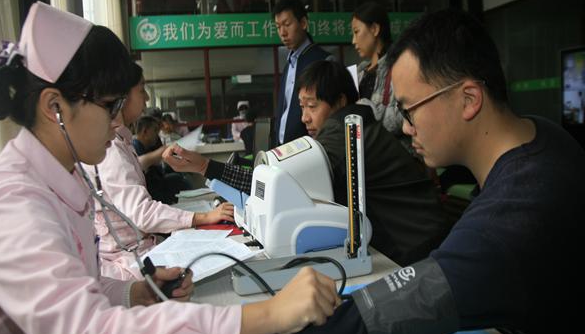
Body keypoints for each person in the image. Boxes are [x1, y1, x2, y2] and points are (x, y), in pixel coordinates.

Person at [0, 2, 341, 334]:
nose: (118, 122)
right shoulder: (11, 206)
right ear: (55, 107)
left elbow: (71, 288)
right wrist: (270, 314)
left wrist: (132, 293)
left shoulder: (56, 177)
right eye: (110, 106)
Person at [220, 8, 585, 334]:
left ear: (469, 99)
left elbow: (356, 333)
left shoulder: (514, 214)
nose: (404, 125)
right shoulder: (543, 136)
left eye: (409, 109)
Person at [166, 61, 449, 266]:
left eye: (312, 106)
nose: (304, 117)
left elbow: (272, 184)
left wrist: (206, 167)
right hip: (418, 241)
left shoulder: (344, 134)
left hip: (415, 252)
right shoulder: (355, 126)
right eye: (302, 107)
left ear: (339, 102)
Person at [87, 64, 233, 280]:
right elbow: (142, 214)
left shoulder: (121, 142)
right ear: (121, 97)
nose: (146, 98)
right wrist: (204, 217)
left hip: (138, 251)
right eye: (141, 90)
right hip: (129, 263)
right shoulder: (112, 148)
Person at [272, 0, 332, 147]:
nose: (282, 32)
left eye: (287, 24)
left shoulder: (323, 61)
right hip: (283, 149)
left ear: (303, 23)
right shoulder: (289, 64)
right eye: (278, 27)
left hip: (309, 149)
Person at [352, 2, 411, 152]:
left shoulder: (400, 67)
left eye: (356, 32)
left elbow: (408, 114)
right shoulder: (359, 73)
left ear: (375, 29)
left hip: (394, 158)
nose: (353, 41)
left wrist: (369, 113)